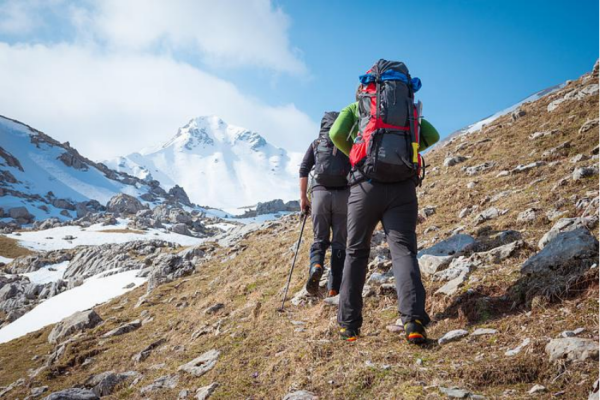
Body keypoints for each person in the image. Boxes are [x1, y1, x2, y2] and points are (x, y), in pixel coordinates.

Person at [329, 59, 440, 344]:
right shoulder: (407, 110)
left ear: (367, 89)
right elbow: (432, 135)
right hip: (403, 188)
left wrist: (358, 154)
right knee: (403, 252)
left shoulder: (357, 108)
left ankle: (349, 326)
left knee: (356, 252)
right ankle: (413, 321)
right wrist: (407, 154)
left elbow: (335, 134)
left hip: (365, 186)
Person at [299, 112, 351, 297]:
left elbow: (304, 169)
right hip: (343, 197)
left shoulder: (316, 144)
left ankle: (317, 265)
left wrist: (303, 198)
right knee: (339, 243)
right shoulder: (347, 142)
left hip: (320, 194)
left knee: (320, 238)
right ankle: (333, 288)